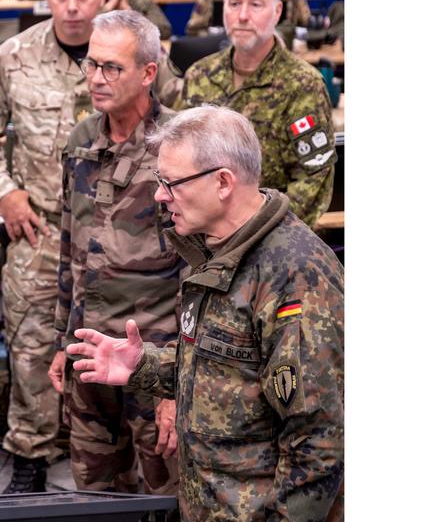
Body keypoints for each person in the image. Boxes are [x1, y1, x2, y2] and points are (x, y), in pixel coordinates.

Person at [66, 105, 344, 521]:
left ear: (223, 183)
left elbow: (319, 443)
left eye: (170, 183)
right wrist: (144, 365)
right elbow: (230, 368)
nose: (159, 195)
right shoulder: (218, 253)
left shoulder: (294, 277)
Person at [0, 0, 103, 493]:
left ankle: (110, 459)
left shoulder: (130, 51)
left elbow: (175, 134)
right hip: (39, 229)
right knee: (32, 348)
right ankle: (31, 456)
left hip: (119, 238)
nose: (70, 7)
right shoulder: (14, 57)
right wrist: (6, 193)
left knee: (116, 344)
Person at [48, 9, 180, 497]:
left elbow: (204, 274)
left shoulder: (179, 150)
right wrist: (63, 342)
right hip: (89, 355)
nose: (97, 79)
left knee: (168, 497)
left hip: (153, 356)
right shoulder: (82, 141)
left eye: (112, 68)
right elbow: (70, 250)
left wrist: (176, 383)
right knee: (96, 497)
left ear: (149, 72)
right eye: (91, 65)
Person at [175, 0, 335, 228]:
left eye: (256, 5)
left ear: (277, 11)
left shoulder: (302, 84)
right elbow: (180, 159)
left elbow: (314, 179)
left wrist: (250, 229)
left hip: (269, 238)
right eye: (234, 4)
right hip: (202, 235)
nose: (243, 16)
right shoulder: (199, 76)